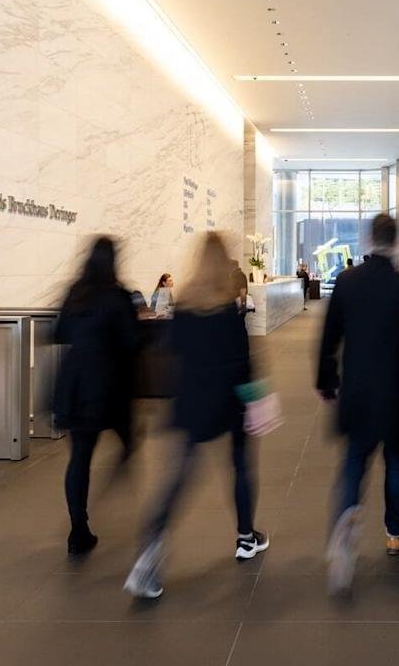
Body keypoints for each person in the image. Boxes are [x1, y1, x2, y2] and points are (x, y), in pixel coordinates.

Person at [124, 232, 268, 599]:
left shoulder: (184, 308)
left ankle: (151, 548)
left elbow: (171, 351)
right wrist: (255, 401)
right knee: (240, 466)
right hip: (229, 403)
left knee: (177, 479)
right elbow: (243, 363)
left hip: (191, 403)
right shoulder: (227, 310)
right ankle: (245, 536)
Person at [317, 214, 399, 595]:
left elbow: (329, 338)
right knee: (396, 462)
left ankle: (345, 524)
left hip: (357, 393)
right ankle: (395, 532)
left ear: (369, 241)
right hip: (397, 395)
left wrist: (326, 381)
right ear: (396, 243)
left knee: (354, 461)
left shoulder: (347, 283)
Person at [53, 236, 140, 556]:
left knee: (79, 458)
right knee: (129, 439)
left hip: (75, 386)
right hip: (107, 385)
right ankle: (119, 479)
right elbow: (131, 341)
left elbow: (58, 333)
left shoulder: (75, 292)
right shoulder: (117, 297)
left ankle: (78, 529)